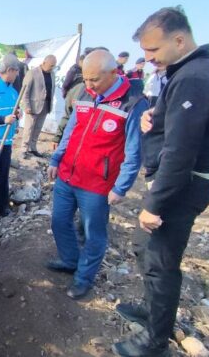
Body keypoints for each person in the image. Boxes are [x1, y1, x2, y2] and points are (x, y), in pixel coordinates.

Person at [113, 7, 209, 356]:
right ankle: (153, 313)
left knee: (161, 262)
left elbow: (182, 151)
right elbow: (177, 124)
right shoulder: (186, 71)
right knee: (142, 248)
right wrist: (156, 116)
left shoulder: (197, 75)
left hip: (182, 184)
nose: (148, 60)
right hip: (171, 179)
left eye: (153, 51)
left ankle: (155, 341)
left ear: (179, 40)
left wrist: (154, 203)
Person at [46, 50, 147, 300]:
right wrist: (56, 158)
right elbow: (71, 129)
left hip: (97, 183)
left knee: (94, 234)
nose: (89, 85)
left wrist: (121, 187)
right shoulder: (84, 92)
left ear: (114, 73)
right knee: (59, 221)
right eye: (86, 78)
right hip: (68, 174)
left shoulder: (132, 102)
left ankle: (83, 278)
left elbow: (134, 150)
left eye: (95, 80)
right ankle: (70, 260)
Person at [0, 55, 22, 217]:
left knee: (2, 174)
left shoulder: (13, 91)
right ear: (10, 70)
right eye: (16, 72)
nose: (17, 76)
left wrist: (17, 114)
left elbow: (13, 110)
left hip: (6, 140)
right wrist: (2, 119)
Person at [20, 55, 57, 158]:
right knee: (29, 128)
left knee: (38, 128)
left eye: (54, 66)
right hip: (32, 106)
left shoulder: (52, 74)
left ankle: (33, 148)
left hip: (45, 105)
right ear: (44, 62)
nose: (52, 68)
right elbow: (25, 91)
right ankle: (24, 149)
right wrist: (26, 105)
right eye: (51, 65)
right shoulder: (32, 73)